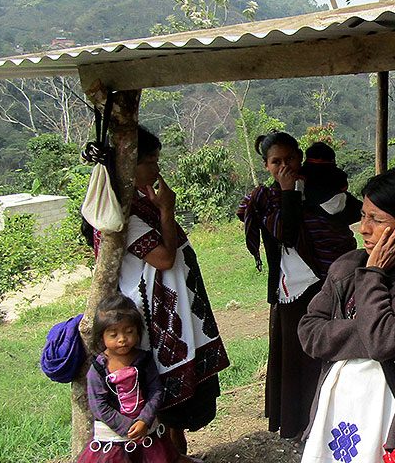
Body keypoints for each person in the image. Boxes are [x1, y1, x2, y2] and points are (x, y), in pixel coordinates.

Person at [91, 127, 229, 459]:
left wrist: (162, 208)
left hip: (167, 314)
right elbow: (165, 258)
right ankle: (170, 457)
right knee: (158, 395)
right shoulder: (125, 214)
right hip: (149, 318)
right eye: (148, 161)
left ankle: (177, 456)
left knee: (170, 401)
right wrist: (167, 210)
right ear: (126, 166)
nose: (155, 169)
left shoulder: (140, 202)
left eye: (156, 160)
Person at [297, 168, 395, 463]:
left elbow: (383, 342)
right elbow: (309, 332)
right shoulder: (346, 267)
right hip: (337, 405)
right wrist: (370, 330)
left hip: (391, 414)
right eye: (364, 215)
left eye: (376, 219)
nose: (363, 228)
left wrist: (373, 275)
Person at [237, 131, 358, 439]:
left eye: (290, 159)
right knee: (298, 358)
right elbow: (287, 234)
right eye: (276, 162)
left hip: (327, 283)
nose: (284, 167)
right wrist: (289, 191)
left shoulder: (319, 186)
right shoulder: (264, 199)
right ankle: (302, 423)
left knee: (328, 352)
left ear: (300, 158)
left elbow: (348, 212)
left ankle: (333, 417)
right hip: (292, 291)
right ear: (266, 165)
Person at [77, 294, 180, 463]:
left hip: (146, 434)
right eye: (113, 334)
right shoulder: (98, 369)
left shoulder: (144, 361)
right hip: (113, 440)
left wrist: (144, 421)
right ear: (101, 336)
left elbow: (156, 391)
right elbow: (99, 406)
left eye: (129, 332)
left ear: (138, 331)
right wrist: (128, 427)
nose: (122, 339)